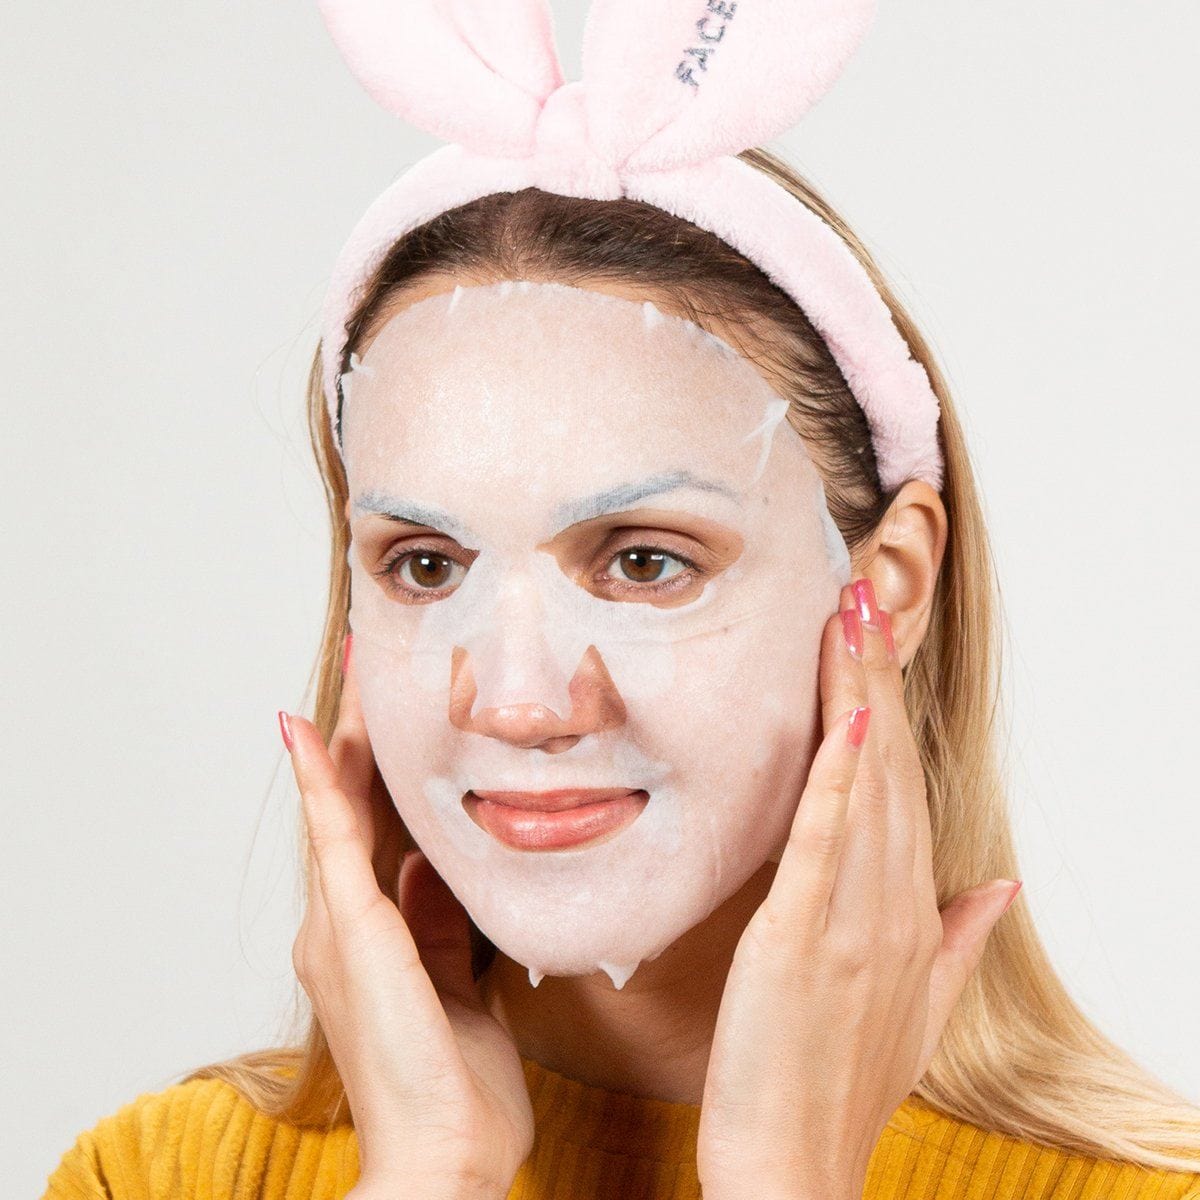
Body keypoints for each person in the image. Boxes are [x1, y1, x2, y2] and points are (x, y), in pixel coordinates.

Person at [41, 4, 1200, 1199]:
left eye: (645, 562)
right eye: (425, 565)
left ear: (886, 588)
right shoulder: (156, 1177)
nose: (520, 702)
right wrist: (426, 1178)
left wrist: (786, 1179)